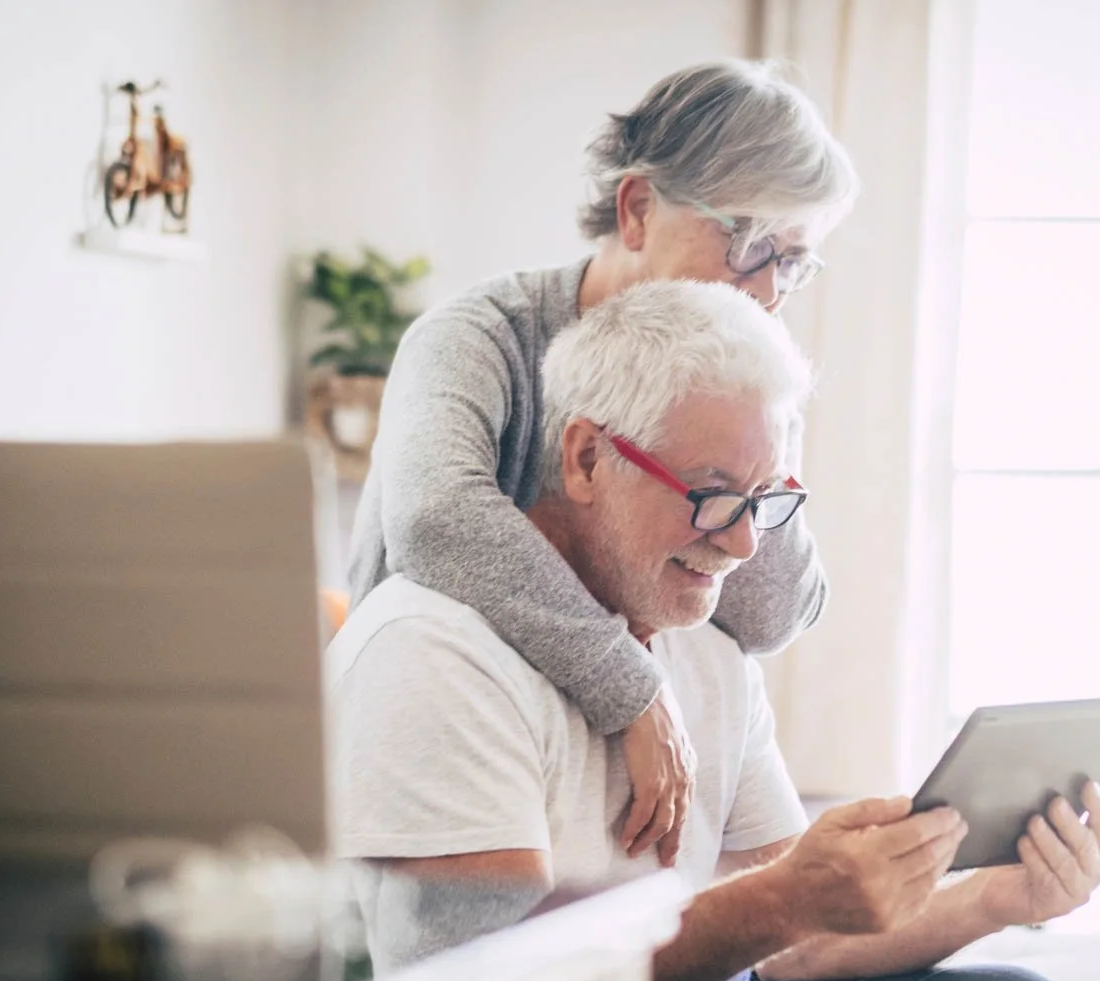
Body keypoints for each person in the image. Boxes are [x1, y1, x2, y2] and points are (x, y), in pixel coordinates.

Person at [329, 282, 1100, 981]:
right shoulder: (437, 650)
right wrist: (780, 901)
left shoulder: (706, 648)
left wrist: (995, 899)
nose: (741, 546)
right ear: (585, 458)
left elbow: (797, 943)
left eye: (765, 501)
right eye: (709, 496)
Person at [347, 60, 857, 869]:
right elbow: (434, 517)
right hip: (444, 766)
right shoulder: (477, 339)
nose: (767, 290)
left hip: (604, 807)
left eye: (792, 260)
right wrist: (633, 686)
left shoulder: (741, 367)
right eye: (749, 242)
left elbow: (772, 614)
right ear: (637, 209)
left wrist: (751, 439)